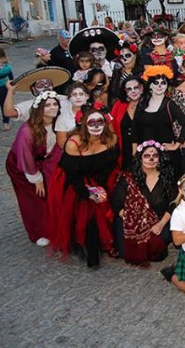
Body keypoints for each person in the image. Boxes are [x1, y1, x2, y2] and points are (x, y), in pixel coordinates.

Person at [46, 103, 119, 268]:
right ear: (84, 124)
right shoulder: (73, 144)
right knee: (87, 213)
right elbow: (71, 173)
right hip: (74, 181)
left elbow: (110, 164)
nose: (96, 127)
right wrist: (85, 192)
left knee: (106, 208)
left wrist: (100, 186)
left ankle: (107, 242)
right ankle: (91, 253)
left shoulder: (111, 139)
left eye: (99, 122)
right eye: (91, 123)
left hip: (100, 178)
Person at [5, 91, 63, 246]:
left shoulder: (58, 122)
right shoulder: (27, 131)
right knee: (32, 198)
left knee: (49, 195)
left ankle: (51, 225)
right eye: (48, 105)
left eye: (55, 104)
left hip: (42, 162)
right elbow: (25, 157)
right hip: (21, 167)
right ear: (40, 109)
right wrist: (37, 180)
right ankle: (37, 232)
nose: (52, 108)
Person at [111, 141, 176, 265]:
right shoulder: (128, 179)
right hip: (131, 221)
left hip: (159, 221)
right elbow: (116, 205)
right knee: (127, 254)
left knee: (157, 253)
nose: (151, 159)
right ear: (140, 158)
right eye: (146, 156)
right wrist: (137, 221)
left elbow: (173, 205)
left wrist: (160, 225)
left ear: (160, 158)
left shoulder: (167, 178)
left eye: (155, 156)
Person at [132, 66, 185, 176]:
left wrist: (176, 145)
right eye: (156, 82)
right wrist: (135, 151)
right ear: (150, 85)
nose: (159, 86)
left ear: (167, 85)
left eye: (163, 83)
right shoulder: (142, 103)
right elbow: (135, 128)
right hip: (146, 154)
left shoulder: (170, 104)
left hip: (166, 155)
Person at [110, 39, 143, 104]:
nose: (125, 59)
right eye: (121, 57)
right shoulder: (117, 71)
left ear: (135, 55)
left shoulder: (141, 72)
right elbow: (113, 90)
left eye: (128, 55)